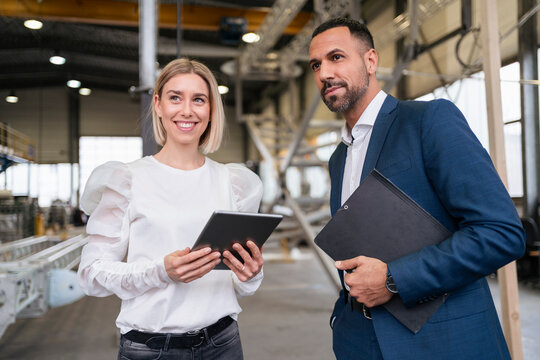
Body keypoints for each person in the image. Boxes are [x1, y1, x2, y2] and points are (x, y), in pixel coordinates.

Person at [308, 17, 525, 360]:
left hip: (441, 341)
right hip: (359, 340)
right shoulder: (338, 158)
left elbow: (501, 232)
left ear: (370, 60)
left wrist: (394, 278)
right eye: (316, 64)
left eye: (336, 57)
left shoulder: (428, 121)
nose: (323, 73)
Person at [77, 58, 264, 360]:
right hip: (150, 349)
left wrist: (251, 273)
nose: (187, 110)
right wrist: (161, 271)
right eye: (175, 97)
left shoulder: (234, 183)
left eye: (199, 100)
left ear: (211, 110)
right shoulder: (127, 179)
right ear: (159, 105)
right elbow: (91, 275)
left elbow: (242, 287)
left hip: (222, 343)